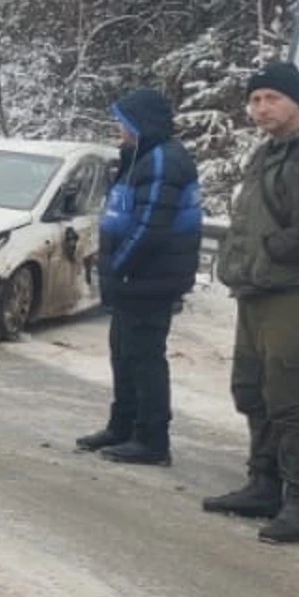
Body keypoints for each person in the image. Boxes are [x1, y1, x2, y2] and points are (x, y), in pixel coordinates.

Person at [203, 62, 299, 544]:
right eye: (254, 100)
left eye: (271, 98)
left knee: (292, 399)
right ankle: (264, 484)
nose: (260, 108)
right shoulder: (268, 151)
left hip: (293, 291)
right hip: (256, 289)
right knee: (252, 390)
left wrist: (274, 249)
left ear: (296, 100)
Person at [76, 88, 203, 467]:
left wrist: (120, 266)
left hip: (150, 279)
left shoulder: (163, 160)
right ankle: (122, 425)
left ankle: (151, 439)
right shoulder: (138, 158)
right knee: (123, 353)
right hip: (133, 278)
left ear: (141, 123)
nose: (119, 127)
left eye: (124, 120)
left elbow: (151, 226)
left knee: (145, 357)